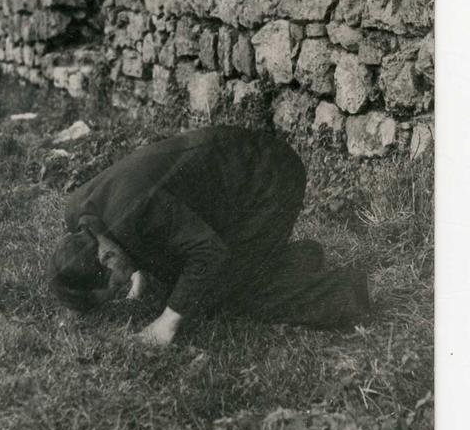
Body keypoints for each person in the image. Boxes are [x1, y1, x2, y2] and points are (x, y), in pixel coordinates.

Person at [46, 125, 370, 346]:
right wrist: (140, 274)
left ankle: (348, 292)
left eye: (115, 285)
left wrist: (166, 324)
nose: (122, 291)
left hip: (266, 178)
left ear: (106, 256)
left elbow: (209, 254)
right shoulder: (78, 212)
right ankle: (301, 259)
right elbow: (132, 226)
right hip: (227, 175)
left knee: (225, 294)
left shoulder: (137, 211)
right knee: (186, 285)